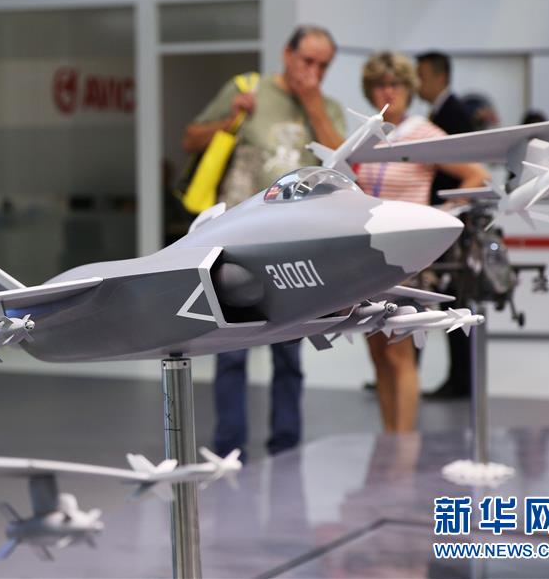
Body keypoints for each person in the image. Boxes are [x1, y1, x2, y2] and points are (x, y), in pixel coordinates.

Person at [182, 25, 345, 459]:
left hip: (295, 245)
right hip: (236, 241)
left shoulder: (326, 107)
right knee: (231, 349)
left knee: (290, 351)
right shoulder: (248, 91)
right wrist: (230, 119)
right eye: (307, 61)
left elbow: (342, 167)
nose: (313, 71)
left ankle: (286, 445)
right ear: (286, 54)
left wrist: (313, 105)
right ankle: (228, 447)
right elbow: (190, 139)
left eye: (323, 65)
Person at [357, 51, 487, 433]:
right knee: (378, 355)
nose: (388, 91)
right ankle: (390, 439)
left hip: (406, 258)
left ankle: (404, 447)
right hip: (367, 256)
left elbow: (475, 175)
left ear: (409, 88)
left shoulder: (422, 131)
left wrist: (440, 214)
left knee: (400, 355)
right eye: (381, 84)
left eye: (396, 84)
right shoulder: (369, 134)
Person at [416, 51, 475, 400]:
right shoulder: (442, 113)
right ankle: (455, 378)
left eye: (421, 75)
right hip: (442, 222)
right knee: (444, 302)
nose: (417, 83)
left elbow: (468, 170)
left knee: (454, 303)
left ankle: (461, 379)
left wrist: (446, 209)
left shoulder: (451, 115)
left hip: (449, 226)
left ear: (440, 76)